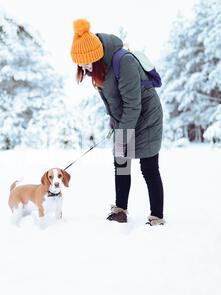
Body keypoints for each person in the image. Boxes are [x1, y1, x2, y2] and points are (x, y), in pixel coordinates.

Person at [70, 19, 165, 226]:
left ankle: (157, 216)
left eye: (87, 63)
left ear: (96, 57)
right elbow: (114, 102)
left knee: (148, 166)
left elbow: (133, 104)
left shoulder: (124, 62)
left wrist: (122, 133)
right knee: (121, 164)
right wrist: (116, 127)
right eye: (81, 64)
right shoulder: (98, 69)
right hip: (127, 117)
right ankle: (120, 210)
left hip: (147, 116)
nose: (84, 68)